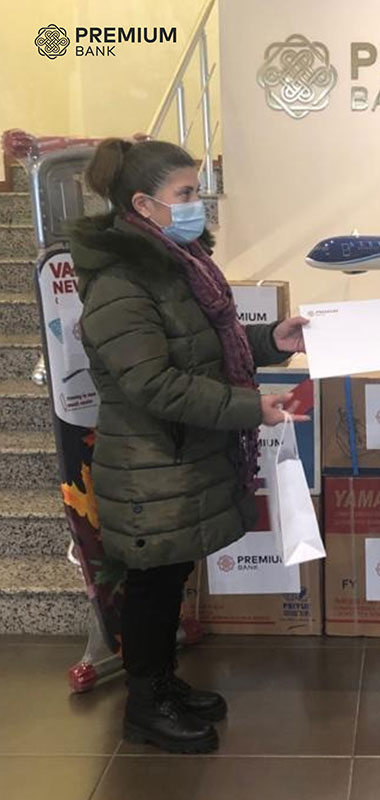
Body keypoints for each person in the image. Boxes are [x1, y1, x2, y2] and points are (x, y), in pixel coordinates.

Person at [70, 138, 309, 753]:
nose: (197, 203)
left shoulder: (177, 264)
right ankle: (145, 705)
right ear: (143, 204)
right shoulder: (121, 282)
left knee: (170, 574)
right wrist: (250, 407)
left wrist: (272, 340)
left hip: (178, 457)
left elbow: (201, 347)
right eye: (185, 193)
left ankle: (163, 682)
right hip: (150, 463)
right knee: (152, 584)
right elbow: (152, 382)